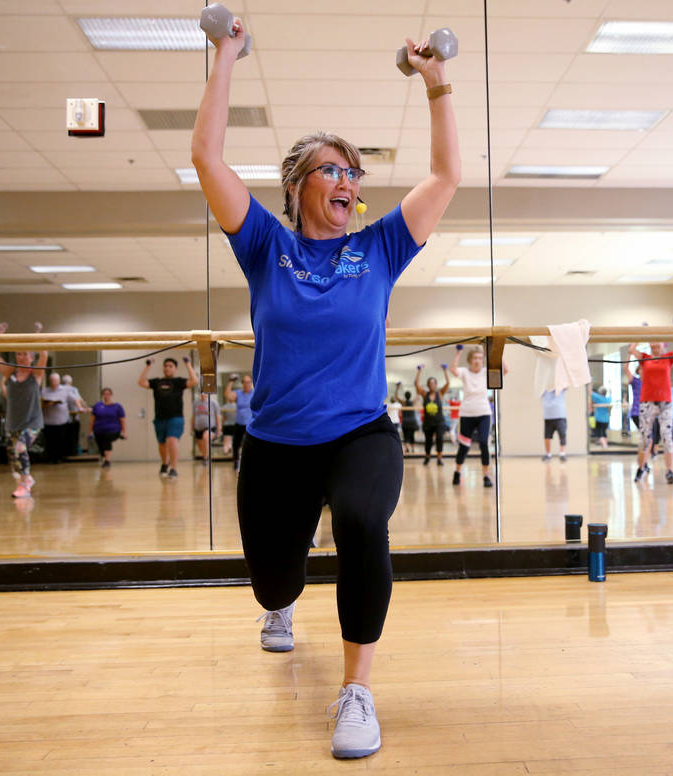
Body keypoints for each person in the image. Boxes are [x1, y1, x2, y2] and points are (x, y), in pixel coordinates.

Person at [193, 14, 459, 760]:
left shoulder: (379, 248)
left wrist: (437, 84)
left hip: (359, 434)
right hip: (276, 442)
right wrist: (226, 54)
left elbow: (444, 177)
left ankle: (357, 692)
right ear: (298, 186)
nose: (348, 181)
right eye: (332, 170)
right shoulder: (264, 246)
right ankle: (280, 605)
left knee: (363, 523)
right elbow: (205, 157)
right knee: (273, 581)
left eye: (353, 172)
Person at [0, 322, 47, 499]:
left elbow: (43, 353)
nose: (21, 357)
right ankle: (25, 480)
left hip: (32, 422)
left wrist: (37, 332)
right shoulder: (10, 373)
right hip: (13, 423)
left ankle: (26, 482)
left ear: (31, 357)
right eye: (18, 354)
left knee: (21, 448)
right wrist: (1, 334)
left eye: (25, 354)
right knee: (15, 458)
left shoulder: (36, 374)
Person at [631, 336, 673, 484]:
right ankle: (641, 467)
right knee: (645, 438)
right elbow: (632, 350)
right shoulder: (644, 358)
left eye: (657, 343)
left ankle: (670, 471)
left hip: (665, 402)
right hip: (647, 402)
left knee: (667, 436)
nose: (655, 346)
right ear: (650, 345)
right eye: (652, 344)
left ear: (663, 344)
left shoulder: (668, 357)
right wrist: (640, 333)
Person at [450, 345, 504, 486]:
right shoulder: (465, 372)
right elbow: (453, 370)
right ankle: (457, 472)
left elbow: (505, 370)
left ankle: (486, 476)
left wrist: (498, 354)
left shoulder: (486, 372)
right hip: (467, 413)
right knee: (464, 446)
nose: (477, 361)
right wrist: (458, 353)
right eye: (475, 358)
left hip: (484, 413)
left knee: (484, 443)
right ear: (470, 359)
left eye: (480, 358)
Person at [138, 356, 198, 479]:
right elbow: (141, 382)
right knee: (162, 444)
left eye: (170, 366)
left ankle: (174, 468)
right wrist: (148, 365)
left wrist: (188, 364)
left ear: (175, 369)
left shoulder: (179, 382)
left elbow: (194, 381)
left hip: (176, 418)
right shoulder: (157, 382)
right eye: (166, 366)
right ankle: (165, 463)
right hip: (160, 418)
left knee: (172, 440)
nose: (167, 368)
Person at [415, 365, 450, 466]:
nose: (432, 384)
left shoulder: (440, 394)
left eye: (434, 383)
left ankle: (439, 458)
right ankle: (427, 458)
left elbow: (448, 383)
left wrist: (445, 371)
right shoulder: (424, 394)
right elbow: (417, 384)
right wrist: (419, 371)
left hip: (439, 422)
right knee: (428, 441)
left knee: (439, 438)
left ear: (436, 385)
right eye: (430, 383)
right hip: (428, 422)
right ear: (428, 385)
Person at [224, 373, 254, 471]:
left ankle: (250, 463)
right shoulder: (238, 393)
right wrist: (231, 381)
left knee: (250, 445)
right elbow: (227, 395)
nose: (246, 384)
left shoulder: (254, 393)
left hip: (250, 425)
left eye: (248, 382)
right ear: (242, 384)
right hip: (239, 424)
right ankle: (236, 463)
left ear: (251, 383)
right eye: (245, 382)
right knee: (236, 445)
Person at [40, 372, 71, 464]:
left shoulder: (65, 390)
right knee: (50, 441)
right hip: (48, 421)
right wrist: (48, 404)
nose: (54, 382)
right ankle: (50, 458)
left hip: (61, 420)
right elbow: (39, 404)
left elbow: (75, 399)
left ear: (59, 381)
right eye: (52, 380)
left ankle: (60, 457)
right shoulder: (44, 391)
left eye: (55, 380)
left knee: (60, 440)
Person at [91, 388, 126, 467]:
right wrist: (90, 431)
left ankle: (107, 461)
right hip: (98, 430)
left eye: (108, 394)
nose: (106, 396)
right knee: (100, 443)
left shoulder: (117, 406)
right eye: (104, 394)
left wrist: (124, 432)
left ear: (111, 395)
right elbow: (92, 420)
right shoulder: (97, 406)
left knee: (106, 440)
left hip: (113, 430)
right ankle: (104, 455)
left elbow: (123, 420)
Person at [61, 374, 90, 456]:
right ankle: (72, 452)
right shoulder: (69, 389)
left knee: (67, 437)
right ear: (70, 382)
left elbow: (79, 399)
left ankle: (70, 452)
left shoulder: (65, 389)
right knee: (71, 436)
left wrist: (85, 407)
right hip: (69, 418)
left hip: (67, 418)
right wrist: (83, 408)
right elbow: (77, 399)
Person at [193, 391, 223, 464]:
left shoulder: (213, 403)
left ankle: (206, 458)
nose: (203, 394)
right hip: (198, 428)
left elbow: (217, 416)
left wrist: (219, 429)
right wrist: (192, 428)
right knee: (201, 446)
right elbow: (193, 416)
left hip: (210, 427)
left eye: (205, 393)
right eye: (202, 393)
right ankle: (204, 455)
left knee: (206, 437)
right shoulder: (196, 403)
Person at [541, 388, 568, 461]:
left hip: (560, 415)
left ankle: (562, 454)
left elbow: (566, 382)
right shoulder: (543, 387)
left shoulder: (560, 386)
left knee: (562, 434)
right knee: (547, 436)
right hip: (548, 416)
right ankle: (548, 454)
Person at [397, 389, 419, 454]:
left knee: (406, 436)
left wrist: (397, 388)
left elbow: (397, 397)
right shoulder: (412, 402)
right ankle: (412, 449)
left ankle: (407, 449)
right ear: (410, 396)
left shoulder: (403, 403)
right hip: (412, 422)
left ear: (405, 396)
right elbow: (417, 396)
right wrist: (416, 386)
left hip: (405, 422)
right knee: (412, 435)